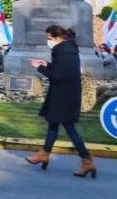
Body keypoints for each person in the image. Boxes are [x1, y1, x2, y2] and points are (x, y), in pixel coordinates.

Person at [25, 25, 97, 178]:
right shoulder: (68, 49)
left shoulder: (62, 51)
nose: (48, 42)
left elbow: (57, 76)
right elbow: (62, 70)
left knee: (70, 129)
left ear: (57, 38)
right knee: (53, 124)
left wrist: (39, 68)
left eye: (49, 39)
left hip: (63, 97)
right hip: (64, 96)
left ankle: (87, 160)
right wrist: (46, 64)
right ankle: (45, 154)